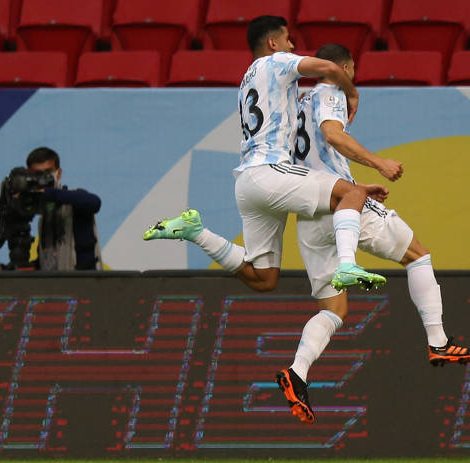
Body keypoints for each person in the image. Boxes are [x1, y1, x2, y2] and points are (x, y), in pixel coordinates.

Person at [142, 16, 388, 422]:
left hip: (248, 183)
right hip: (271, 172)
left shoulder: (247, 79)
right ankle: (347, 265)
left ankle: (195, 231)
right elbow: (327, 67)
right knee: (352, 190)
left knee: (263, 278)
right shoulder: (276, 63)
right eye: (289, 40)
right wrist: (351, 91)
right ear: (273, 43)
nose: (294, 46)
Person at [283, 43, 470, 423]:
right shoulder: (330, 91)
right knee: (417, 254)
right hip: (338, 204)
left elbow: (315, 155)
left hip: (309, 212)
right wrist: (378, 163)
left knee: (334, 309)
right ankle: (438, 342)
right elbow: (333, 134)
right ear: (344, 67)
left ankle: (297, 372)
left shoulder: (299, 103)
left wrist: (357, 186)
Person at [0, 147, 102, 271]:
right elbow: (44, 267)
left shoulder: (75, 202)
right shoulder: (45, 217)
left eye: (48, 173)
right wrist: (3, 270)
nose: (44, 179)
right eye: (38, 174)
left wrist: (48, 193)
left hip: (87, 286)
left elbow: (94, 202)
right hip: (60, 288)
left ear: (59, 173)